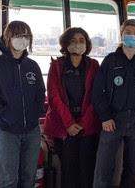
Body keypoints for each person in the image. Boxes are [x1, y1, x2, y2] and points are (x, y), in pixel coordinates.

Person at [92, 19, 135, 188]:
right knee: (104, 167)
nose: (132, 36)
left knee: (132, 167)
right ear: (121, 34)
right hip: (112, 120)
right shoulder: (110, 60)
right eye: (128, 32)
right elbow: (97, 92)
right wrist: (105, 117)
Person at [44, 27, 101, 188]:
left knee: (87, 170)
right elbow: (54, 97)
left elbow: (95, 97)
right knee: (68, 171)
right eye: (73, 41)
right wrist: (69, 123)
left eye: (81, 41)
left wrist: (83, 123)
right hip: (64, 126)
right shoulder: (57, 66)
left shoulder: (94, 65)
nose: (77, 44)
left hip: (87, 126)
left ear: (87, 44)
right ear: (66, 43)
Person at [0, 21, 45, 188]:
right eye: (18, 35)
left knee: (29, 178)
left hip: (32, 130)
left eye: (26, 36)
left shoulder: (32, 66)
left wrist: (35, 113)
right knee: (8, 179)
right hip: (7, 131)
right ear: (8, 37)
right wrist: (5, 114)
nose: (22, 39)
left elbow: (40, 92)